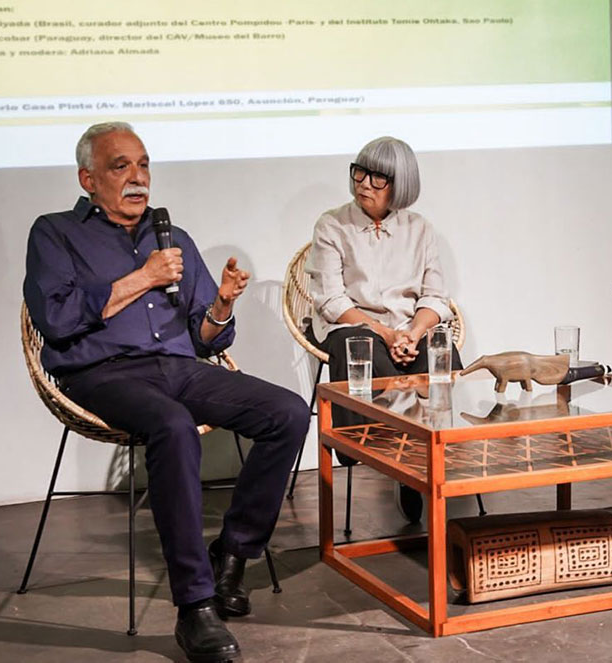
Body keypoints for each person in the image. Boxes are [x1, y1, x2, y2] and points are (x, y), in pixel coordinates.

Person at [24, 122, 310, 663]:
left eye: (144, 165)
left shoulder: (173, 238)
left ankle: (232, 553)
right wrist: (143, 277)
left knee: (288, 412)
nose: (138, 178)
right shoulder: (55, 232)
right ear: (88, 178)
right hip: (102, 373)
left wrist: (222, 304)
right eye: (120, 166)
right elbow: (56, 319)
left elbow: (207, 339)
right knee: (174, 425)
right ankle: (195, 606)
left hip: (178, 367)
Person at [305, 136, 461, 521]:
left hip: (406, 328)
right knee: (363, 347)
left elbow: (436, 297)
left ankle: (431, 455)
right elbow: (332, 300)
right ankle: (381, 454)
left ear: (400, 184)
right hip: (352, 324)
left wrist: (413, 332)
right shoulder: (332, 224)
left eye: (378, 178)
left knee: (442, 352)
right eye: (359, 172)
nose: (364, 184)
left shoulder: (420, 228)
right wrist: (387, 334)